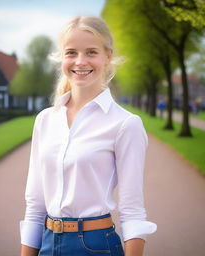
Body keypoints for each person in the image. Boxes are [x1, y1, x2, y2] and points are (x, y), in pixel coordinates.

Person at [20, 15, 157, 256]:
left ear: (108, 57)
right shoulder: (45, 120)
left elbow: (132, 210)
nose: (80, 61)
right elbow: (35, 205)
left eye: (91, 52)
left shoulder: (125, 124)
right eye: (71, 52)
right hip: (47, 242)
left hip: (96, 246)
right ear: (62, 57)